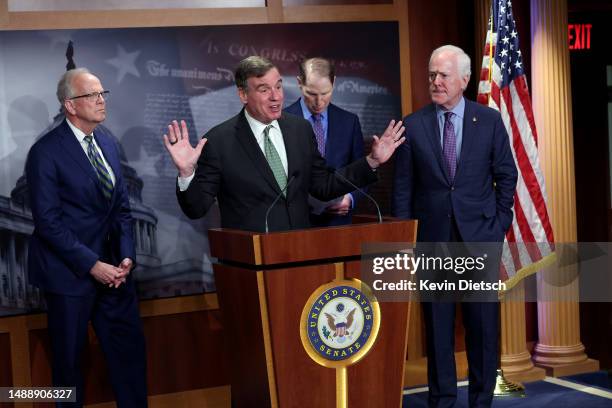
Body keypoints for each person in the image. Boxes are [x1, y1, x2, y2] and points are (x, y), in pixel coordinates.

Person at [393, 45, 518, 407]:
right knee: (438, 331)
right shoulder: (412, 125)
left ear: (464, 80)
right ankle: (443, 401)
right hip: (432, 243)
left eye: (443, 75)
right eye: (432, 75)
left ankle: (481, 401)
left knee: (483, 330)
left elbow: (506, 176)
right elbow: (403, 191)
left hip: (480, 239)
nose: (435, 81)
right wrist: (405, 244)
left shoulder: (489, 121)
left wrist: (498, 226)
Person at [164, 56, 404, 232]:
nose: (276, 96)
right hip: (252, 265)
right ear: (243, 95)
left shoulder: (299, 130)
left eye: (278, 86)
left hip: (299, 252)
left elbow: (323, 185)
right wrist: (186, 173)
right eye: (264, 89)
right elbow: (196, 209)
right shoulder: (219, 141)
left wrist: (372, 161)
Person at [26, 68, 147, 407]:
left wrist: (125, 256)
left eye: (102, 93)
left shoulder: (107, 142)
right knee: (68, 369)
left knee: (130, 360)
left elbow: (122, 209)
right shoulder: (45, 153)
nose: (100, 100)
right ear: (70, 105)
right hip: (69, 277)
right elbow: (48, 223)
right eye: (90, 95)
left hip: (116, 278)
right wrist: (93, 265)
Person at [285, 57, 365, 226]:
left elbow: (361, 172)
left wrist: (350, 199)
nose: (319, 102)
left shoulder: (349, 122)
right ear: (299, 83)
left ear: (334, 82)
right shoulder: (281, 122)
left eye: (325, 93)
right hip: (296, 224)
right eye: (312, 94)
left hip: (338, 224)